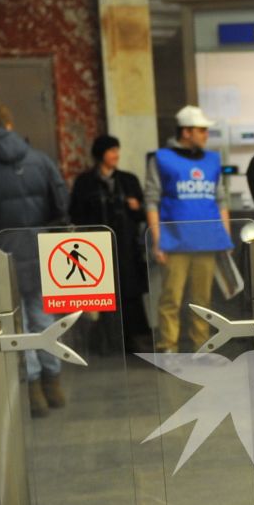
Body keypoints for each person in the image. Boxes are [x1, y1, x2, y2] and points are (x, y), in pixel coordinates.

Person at [0, 102, 70, 415]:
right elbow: (61, 204)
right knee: (43, 314)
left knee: (14, 322)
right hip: (41, 249)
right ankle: (53, 382)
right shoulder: (39, 159)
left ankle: (32, 389)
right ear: (9, 124)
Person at [143, 105, 230, 351]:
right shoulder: (161, 158)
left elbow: (220, 199)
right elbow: (152, 200)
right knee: (171, 298)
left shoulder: (212, 160)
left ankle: (201, 346)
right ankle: (167, 347)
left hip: (208, 240)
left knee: (202, 300)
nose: (206, 135)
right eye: (202, 130)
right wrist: (158, 240)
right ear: (187, 131)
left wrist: (224, 236)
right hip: (175, 242)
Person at [69, 134, 151, 353]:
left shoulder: (128, 180)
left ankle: (135, 340)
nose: (116, 155)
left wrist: (136, 208)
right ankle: (106, 342)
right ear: (100, 154)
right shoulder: (85, 183)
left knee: (130, 293)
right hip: (96, 247)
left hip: (126, 247)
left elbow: (144, 214)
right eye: (111, 150)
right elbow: (76, 214)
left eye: (117, 150)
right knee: (102, 294)